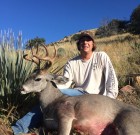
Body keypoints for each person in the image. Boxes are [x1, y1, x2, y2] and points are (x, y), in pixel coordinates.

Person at [12, 31, 118, 135]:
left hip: (98, 99)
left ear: (93, 43)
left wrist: (110, 101)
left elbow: (111, 79)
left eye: (88, 40)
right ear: (79, 44)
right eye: (82, 40)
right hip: (79, 94)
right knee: (48, 99)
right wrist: (43, 86)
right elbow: (65, 83)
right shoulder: (72, 63)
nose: (85, 43)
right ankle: (17, 129)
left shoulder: (101, 57)